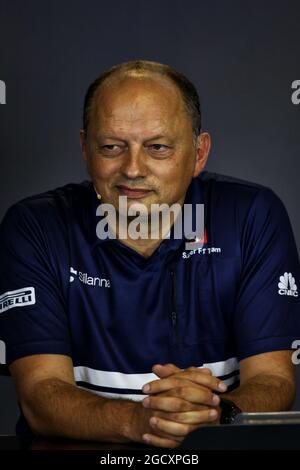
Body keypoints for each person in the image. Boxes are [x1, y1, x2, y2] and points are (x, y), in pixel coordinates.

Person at [0, 60, 299, 449]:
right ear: (85, 149)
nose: (133, 168)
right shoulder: (35, 226)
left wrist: (214, 413)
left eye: (157, 147)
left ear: (199, 152)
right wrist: (140, 420)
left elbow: (273, 381)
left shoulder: (252, 215)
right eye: (111, 147)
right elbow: (40, 395)